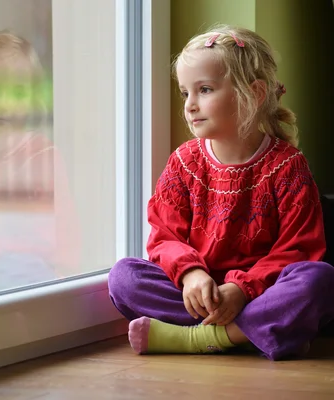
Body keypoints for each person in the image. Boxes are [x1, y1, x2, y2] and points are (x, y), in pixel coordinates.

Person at [107, 24, 334, 361]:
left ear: (253, 94)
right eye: (185, 92)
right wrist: (191, 274)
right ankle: (251, 333)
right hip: (198, 293)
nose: (190, 105)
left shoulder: (287, 166)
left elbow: (298, 248)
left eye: (205, 89)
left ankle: (196, 339)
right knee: (124, 277)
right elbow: (164, 235)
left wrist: (243, 290)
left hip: (260, 291)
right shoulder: (183, 163)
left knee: (319, 279)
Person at [0, 31, 80, 284]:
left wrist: (62, 277)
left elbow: (65, 237)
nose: (2, 102)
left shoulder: (41, 155)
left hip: (30, 279)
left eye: (16, 92)